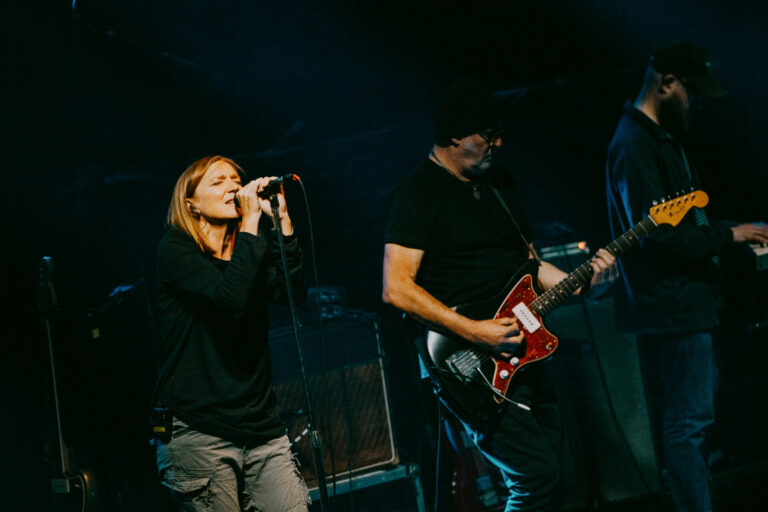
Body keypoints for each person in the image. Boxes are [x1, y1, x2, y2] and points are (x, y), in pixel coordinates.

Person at [383, 77, 617, 511]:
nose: (498, 142)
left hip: (523, 348)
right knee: (535, 477)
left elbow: (530, 266)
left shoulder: (501, 186)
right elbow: (396, 289)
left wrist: (585, 279)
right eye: (487, 134)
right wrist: (475, 332)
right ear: (455, 134)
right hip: (466, 361)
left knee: (563, 473)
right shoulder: (416, 195)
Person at [605, 41, 768, 512]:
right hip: (672, 308)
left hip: (684, 303)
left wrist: (726, 234)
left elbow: (682, 223)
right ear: (666, 83)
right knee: (686, 425)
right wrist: (729, 236)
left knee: (691, 423)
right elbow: (658, 237)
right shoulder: (635, 146)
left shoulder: (656, 140)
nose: (693, 103)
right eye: (689, 92)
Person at [152, 156, 311, 511]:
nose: (233, 187)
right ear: (190, 204)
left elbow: (291, 293)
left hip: (261, 426)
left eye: (235, 179)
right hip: (199, 428)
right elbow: (229, 299)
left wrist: (282, 221)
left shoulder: (250, 246)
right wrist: (253, 222)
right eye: (218, 181)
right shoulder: (176, 250)